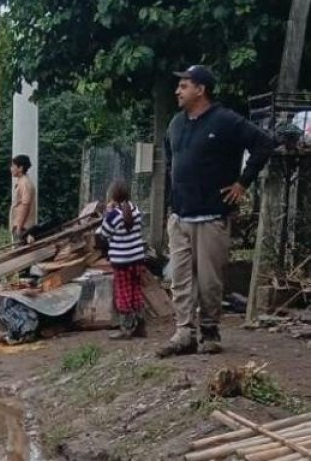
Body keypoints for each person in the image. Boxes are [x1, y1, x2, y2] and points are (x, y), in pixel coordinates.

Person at [158, 65, 276, 357]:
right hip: (180, 214)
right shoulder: (175, 123)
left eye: (184, 86)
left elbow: (264, 144)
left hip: (211, 215)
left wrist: (242, 183)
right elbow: (172, 159)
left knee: (209, 281)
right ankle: (184, 332)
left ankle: (209, 332)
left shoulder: (225, 121)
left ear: (201, 89)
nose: (178, 91)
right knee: (181, 279)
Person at [98, 179, 147, 340]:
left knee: (123, 293)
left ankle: (126, 327)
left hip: (122, 260)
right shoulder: (136, 210)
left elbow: (103, 234)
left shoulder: (113, 215)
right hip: (138, 259)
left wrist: (107, 213)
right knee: (136, 290)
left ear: (112, 195)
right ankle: (140, 325)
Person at [9, 154, 37, 242]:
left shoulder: (25, 183)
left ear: (20, 168)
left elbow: (25, 205)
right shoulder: (21, 181)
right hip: (19, 225)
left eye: (13, 166)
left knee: (20, 252)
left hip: (23, 227)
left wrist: (19, 227)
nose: (11, 169)